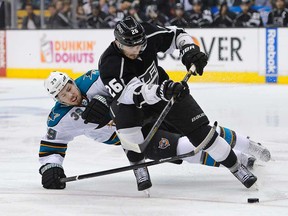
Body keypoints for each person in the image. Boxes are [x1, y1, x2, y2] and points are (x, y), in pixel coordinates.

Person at [96, 16, 269, 192]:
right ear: (117, 42)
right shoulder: (109, 64)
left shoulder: (148, 34)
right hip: (133, 104)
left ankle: (236, 167)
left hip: (163, 89)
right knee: (129, 132)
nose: (138, 49)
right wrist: (161, 91)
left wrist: (189, 50)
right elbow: (129, 94)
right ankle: (139, 168)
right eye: (131, 46)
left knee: (202, 133)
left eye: (140, 44)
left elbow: (177, 34)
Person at [39, 71, 271, 190]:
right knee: (180, 150)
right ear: (57, 99)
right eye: (62, 95)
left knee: (198, 130)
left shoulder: (92, 80)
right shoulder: (59, 119)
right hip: (132, 137)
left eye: (68, 87)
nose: (70, 94)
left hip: (146, 113)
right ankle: (240, 158)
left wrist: (106, 99)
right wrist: (51, 168)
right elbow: (52, 145)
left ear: (72, 81)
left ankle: (248, 145)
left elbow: (126, 81)